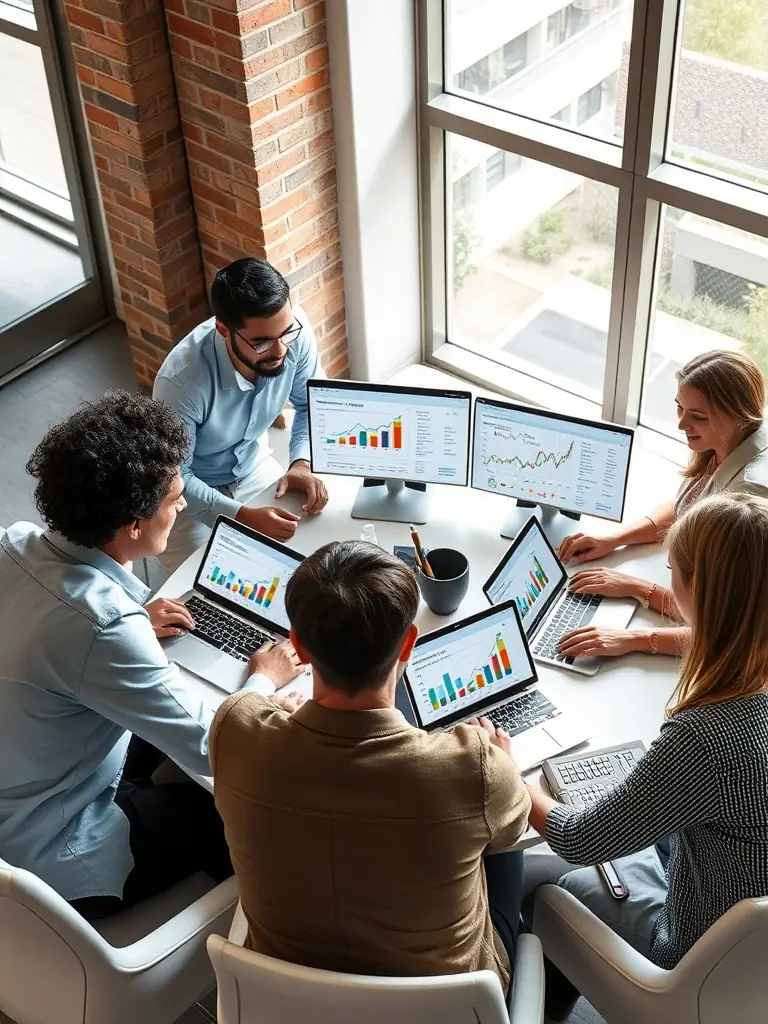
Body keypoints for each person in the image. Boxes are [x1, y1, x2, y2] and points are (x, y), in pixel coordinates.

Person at [0, 392, 304, 919]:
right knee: (255, 819)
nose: (184, 506)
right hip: (57, 851)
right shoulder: (106, 629)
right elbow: (218, 749)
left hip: (23, 780)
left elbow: (66, 627)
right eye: (175, 497)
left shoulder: (15, 541)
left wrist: (136, 612)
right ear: (135, 525)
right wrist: (262, 682)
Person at [210, 541, 531, 991]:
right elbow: (514, 831)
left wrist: (268, 692)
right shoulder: (475, 766)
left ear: (297, 643)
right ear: (408, 645)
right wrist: (504, 768)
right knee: (498, 840)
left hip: (292, 1001)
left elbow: (243, 706)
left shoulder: (234, 729)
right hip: (445, 1010)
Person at [525, 493, 768, 1018]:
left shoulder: (706, 737)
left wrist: (511, 778)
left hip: (692, 957)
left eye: (673, 571)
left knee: (536, 874)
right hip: (751, 951)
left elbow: (579, 839)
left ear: (700, 591)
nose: (667, 578)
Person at [555, 350, 768, 660]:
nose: (682, 424)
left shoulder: (750, 492)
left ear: (737, 414)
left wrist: (635, 619)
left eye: (697, 416)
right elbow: (687, 507)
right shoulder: (723, 441)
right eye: (680, 408)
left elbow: (725, 627)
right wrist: (616, 539)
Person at [153, 256, 328, 572]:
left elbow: (312, 405)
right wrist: (241, 516)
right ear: (223, 329)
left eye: (285, 334)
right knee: (207, 582)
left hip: (251, 465)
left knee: (308, 555)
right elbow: (176, 477)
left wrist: (301, 462)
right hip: (184, 494)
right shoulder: (180, 382)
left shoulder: (293, 336)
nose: (280, 351)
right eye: (261, 343)